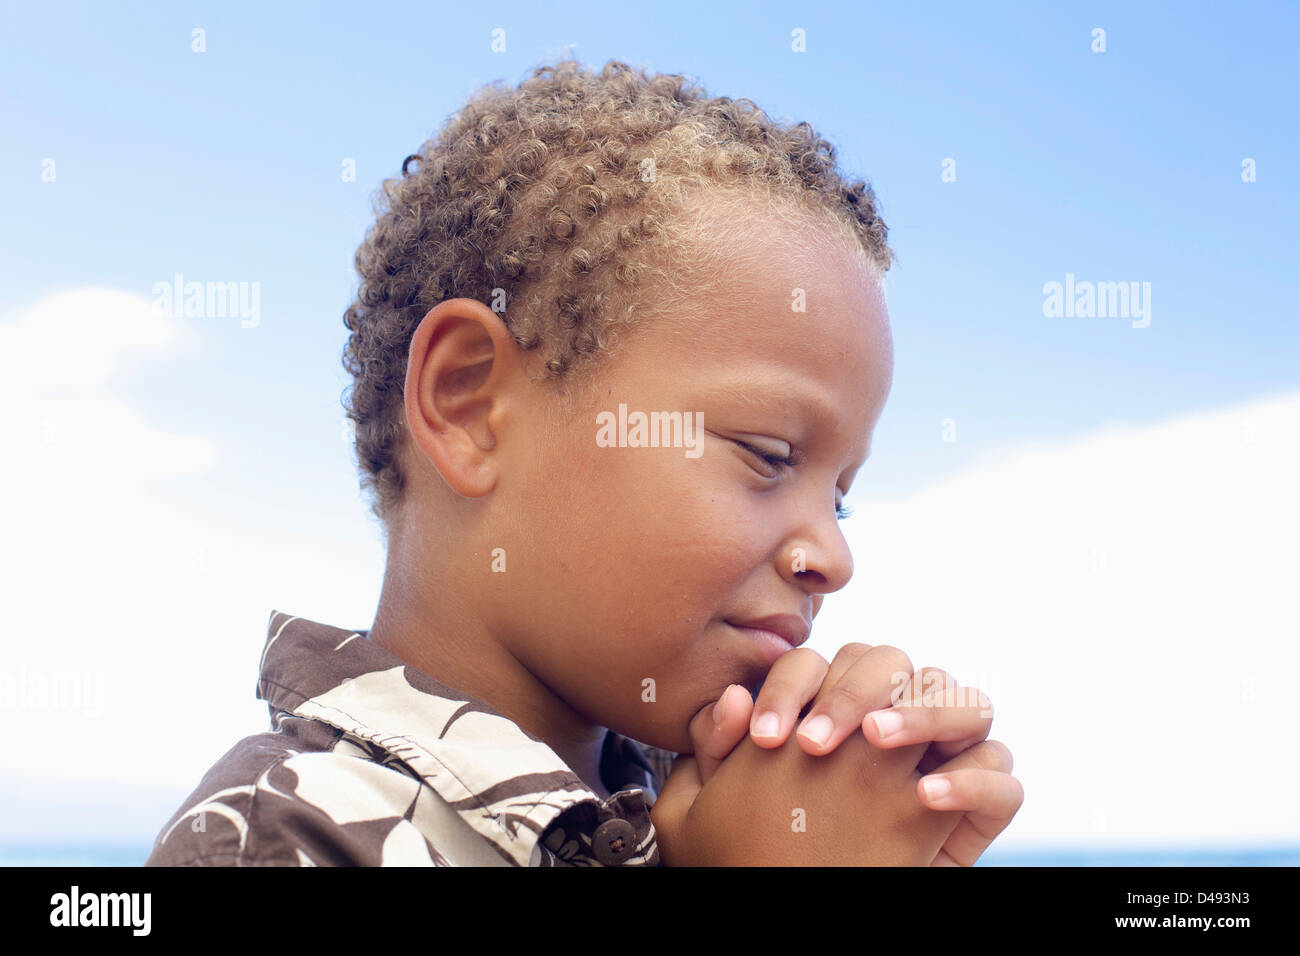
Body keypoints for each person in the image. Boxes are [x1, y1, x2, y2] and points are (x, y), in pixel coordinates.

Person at [146, 57, 1022, 867]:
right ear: (470, 406)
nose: (831, 557)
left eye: (840, 498)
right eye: (766, 456)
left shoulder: (709, 803)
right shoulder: (280, 834)